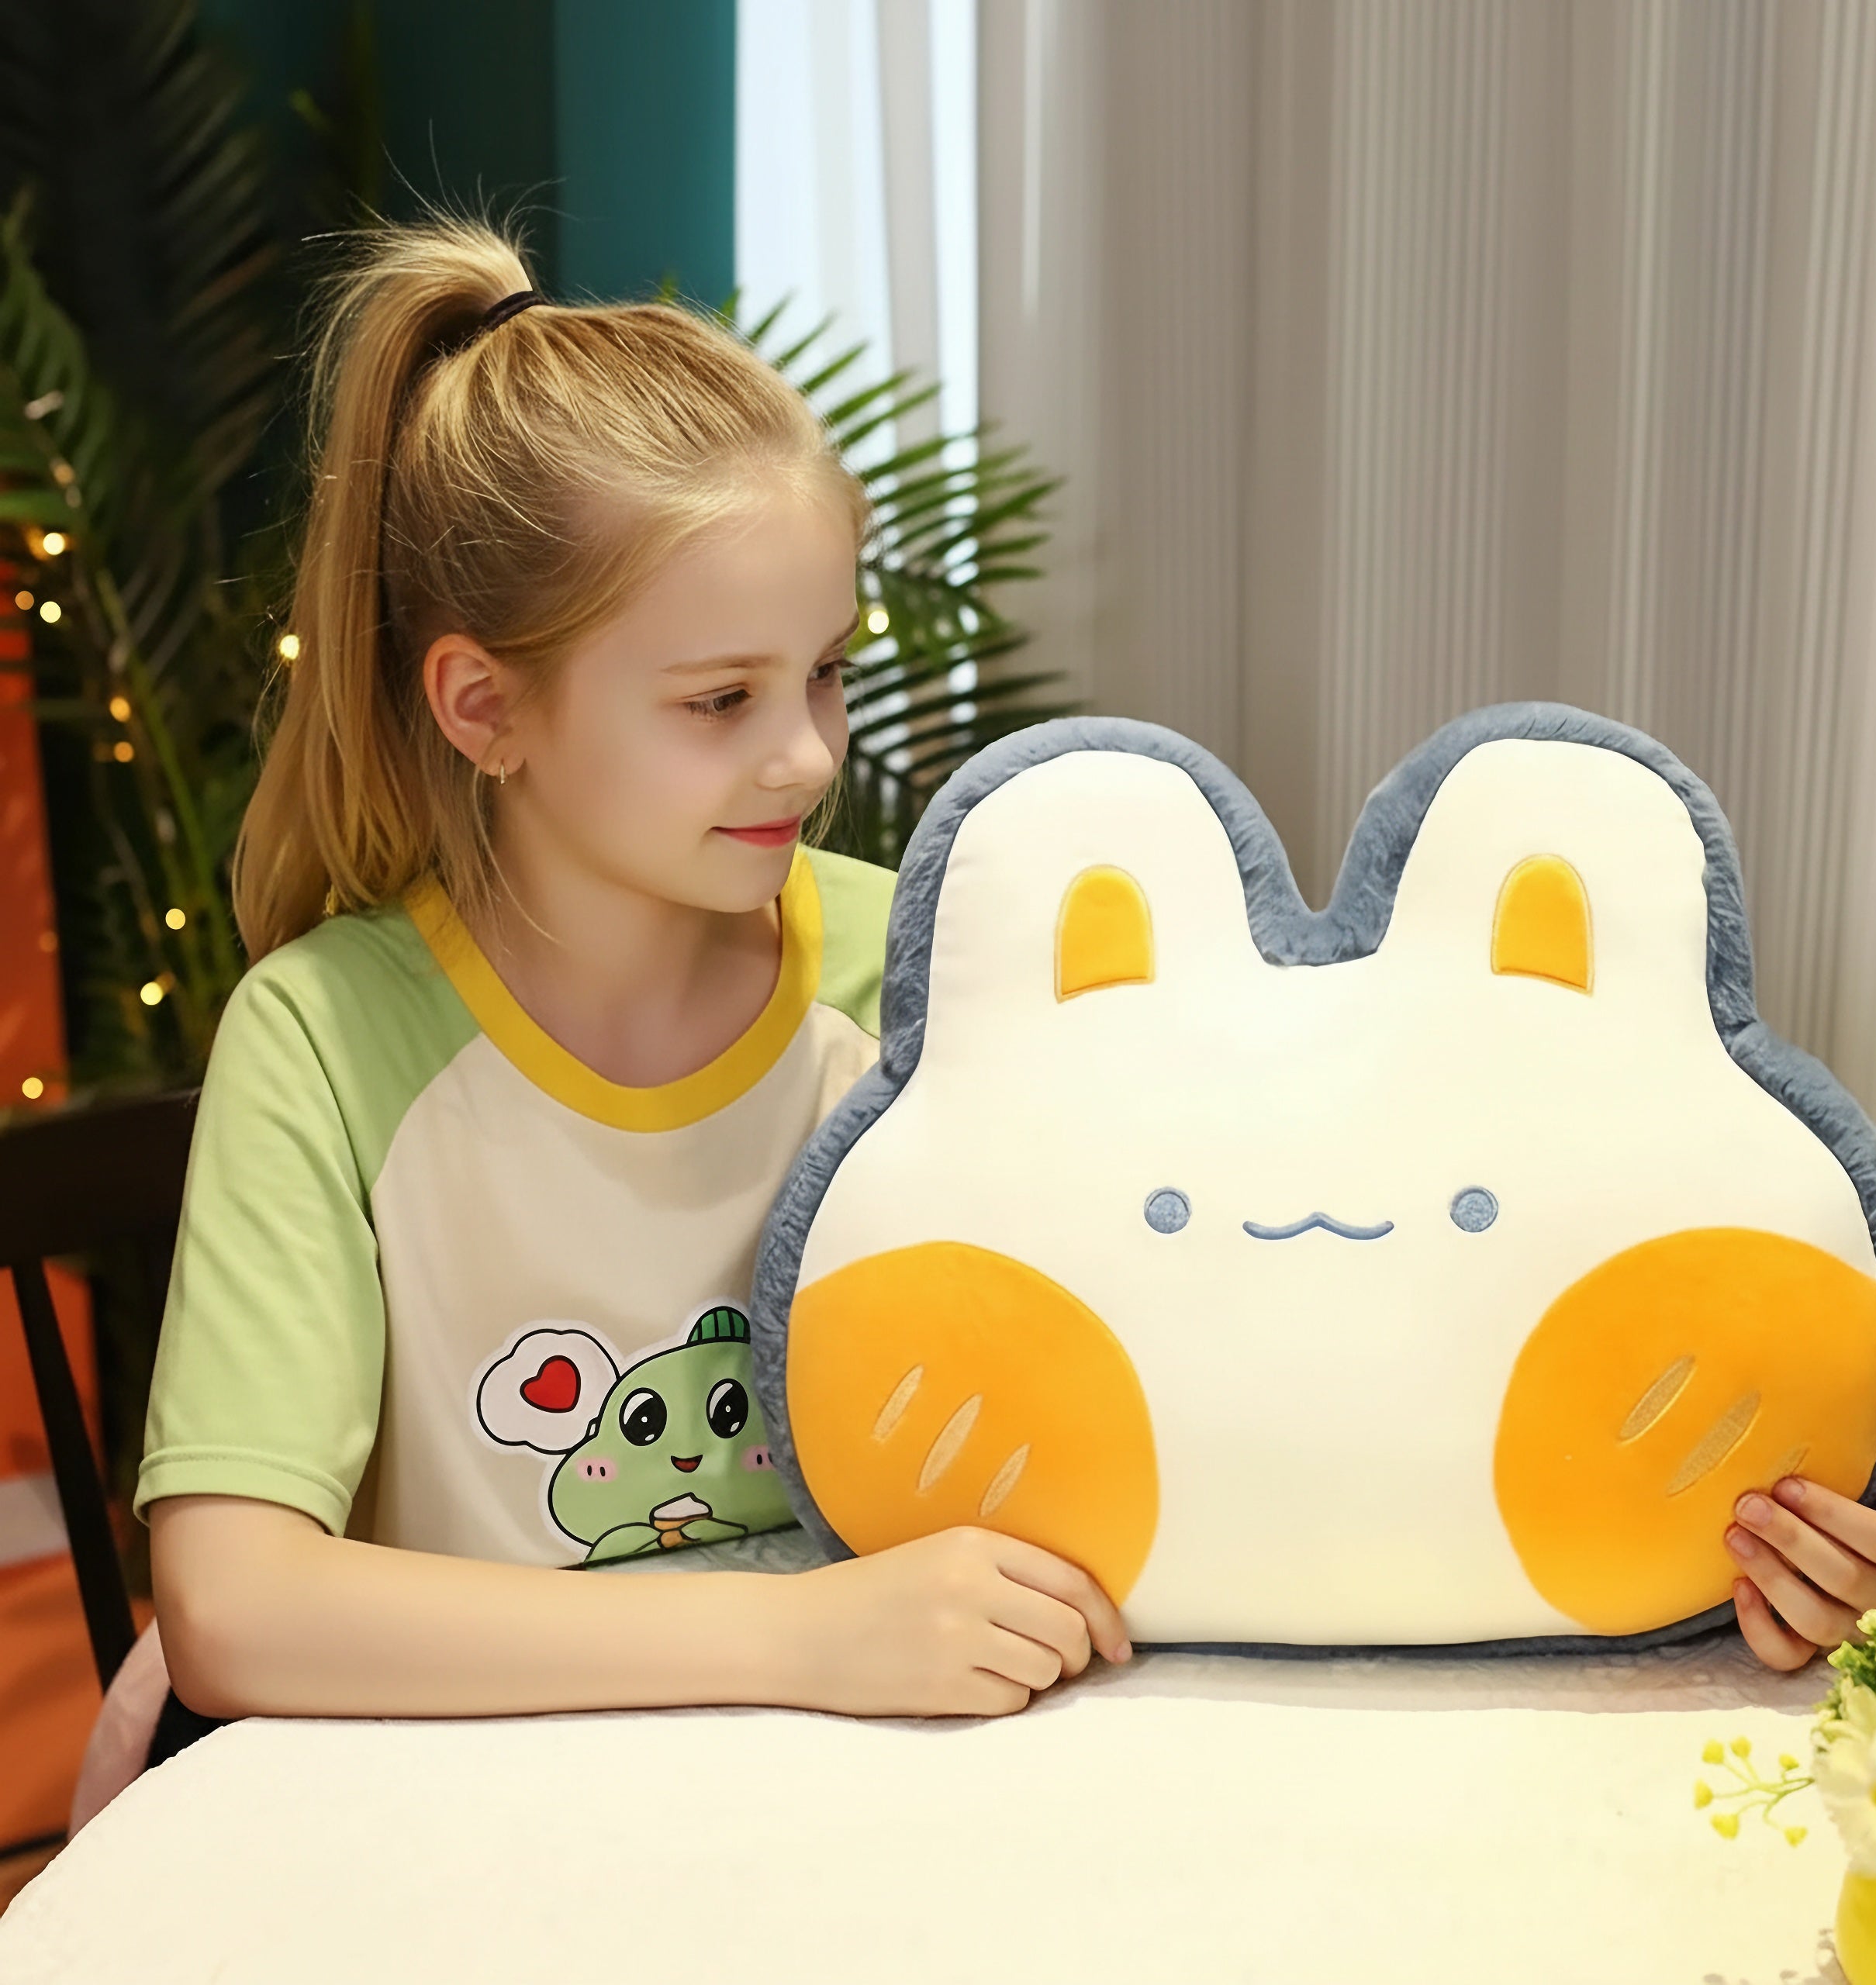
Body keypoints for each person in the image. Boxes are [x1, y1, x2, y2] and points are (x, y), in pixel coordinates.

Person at [136, 216, 1131, 1762]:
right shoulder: (324, 1038)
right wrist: (801, 1634)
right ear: (485, 706)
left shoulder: (929, 970)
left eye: (822, 671)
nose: (805, 752)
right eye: (719, 698)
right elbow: (233, 1603)